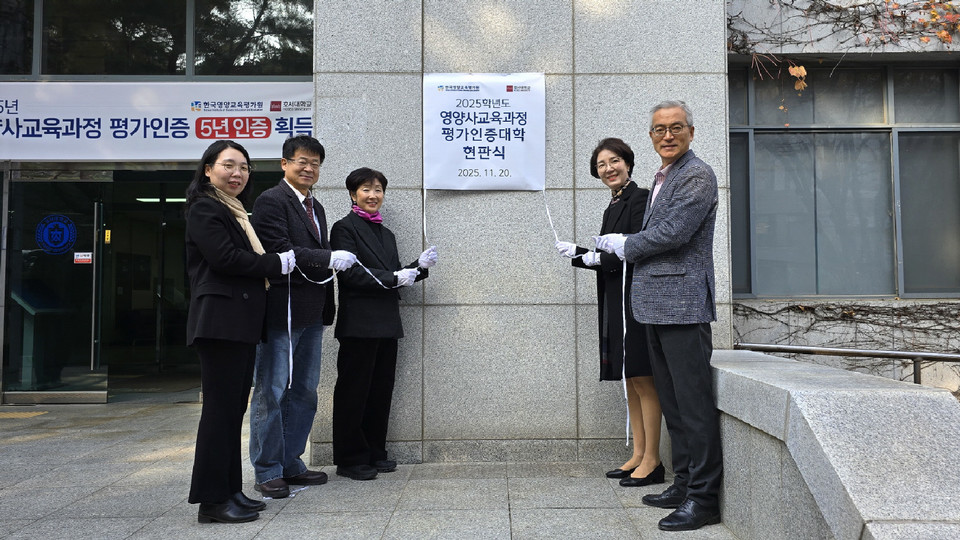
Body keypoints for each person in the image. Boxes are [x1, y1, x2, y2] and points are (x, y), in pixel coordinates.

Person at [595, 100, 722, 531]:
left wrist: (624, 244)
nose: (667, 135)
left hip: (683, 305)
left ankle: (703, 498)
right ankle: (684, 483)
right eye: (658, 129)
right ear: (650, 136)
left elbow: (673, 233)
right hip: (654, 305)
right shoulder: (664, 175)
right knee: (672, 401)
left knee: (694, 404)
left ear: (691, 130)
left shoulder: (698, 174)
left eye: (675, 127)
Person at [185, 140, 296, 523]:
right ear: (208, 170)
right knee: (219, 414)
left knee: (232, 413)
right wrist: (273, 263)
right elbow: (226, 259)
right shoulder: (204, 208)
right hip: (219, 323)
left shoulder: (234, 212)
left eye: (244, 167)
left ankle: (231, 489)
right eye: (228, 165)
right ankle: (212, 502)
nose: (237, 173)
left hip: (240, 324)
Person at [248, 135, 358, 499]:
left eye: (314, 164)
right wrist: (328, 258)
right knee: (272, 390)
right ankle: (267, 469)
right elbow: (282, 251)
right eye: (301, 162)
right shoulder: (271, 201)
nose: (308, 169)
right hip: (282, 311)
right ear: (284, 164)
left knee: (305, 391)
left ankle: (292, 461)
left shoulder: (317, 206)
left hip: (312, 311)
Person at [555, 137, 664, 488]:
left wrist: (592, 256)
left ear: (628, 163)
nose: (609, 169)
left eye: (614, 161)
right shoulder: (611, 205)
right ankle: (638, 452)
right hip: (614, 296)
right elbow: (608, 257)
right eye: (602, 165)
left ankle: (653, 459)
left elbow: (634, 247)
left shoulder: (639, 197)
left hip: (635, 298)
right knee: (629, 377)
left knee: (644, 378)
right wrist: (580, 254)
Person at [329, 167, 437, 481]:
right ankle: (350, 458)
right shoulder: (343, 228)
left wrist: (418, 267)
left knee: (379, 391)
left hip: (387, 322)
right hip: (359, 324)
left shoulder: (386, 233)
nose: (373, 195)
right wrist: (395, 277)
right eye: (366, 189)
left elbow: (393, 276)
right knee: (354, 392)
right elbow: (350, 274)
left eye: (378, 190)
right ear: (352, 194)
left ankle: (374, 451)